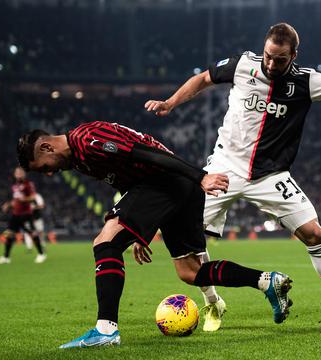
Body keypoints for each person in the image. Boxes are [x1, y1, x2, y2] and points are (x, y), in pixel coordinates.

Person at [144, 22, 321, 327]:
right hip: (223, 169)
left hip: (270, 175)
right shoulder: (244, 64)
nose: (271, 64)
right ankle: (213, 303)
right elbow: (203, 78)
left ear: (294, 55)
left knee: (315, 233)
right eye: (268, 56)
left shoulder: (308, 81)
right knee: (190, 240)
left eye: (280, 59)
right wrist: (170, 102)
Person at [17, 121, 293, 349]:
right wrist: (143, 232)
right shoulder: (79, 159)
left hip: (167, 181)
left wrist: (200, 176)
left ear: (46, 147)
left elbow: (146, 154)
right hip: (175, 188)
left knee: (105, 242)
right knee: (190, 271)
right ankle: (266, 281)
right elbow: (129, 181)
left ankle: (105, 330)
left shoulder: (89, 139)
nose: (50, 174)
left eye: (44, 167)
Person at [0, 167, 47, 264]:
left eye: (20, 172)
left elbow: (33, 196)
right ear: (14, 174)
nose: (18, 174)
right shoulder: (15, 186)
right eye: (17, 172)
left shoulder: (28, 184)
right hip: (15, 214)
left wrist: (25, 199)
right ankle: (6, 257)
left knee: (32, 234)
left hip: (26, 214)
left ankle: (41, 254)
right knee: (8, 234)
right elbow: (15, 200)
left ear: (24, 174)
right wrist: (8, 204)